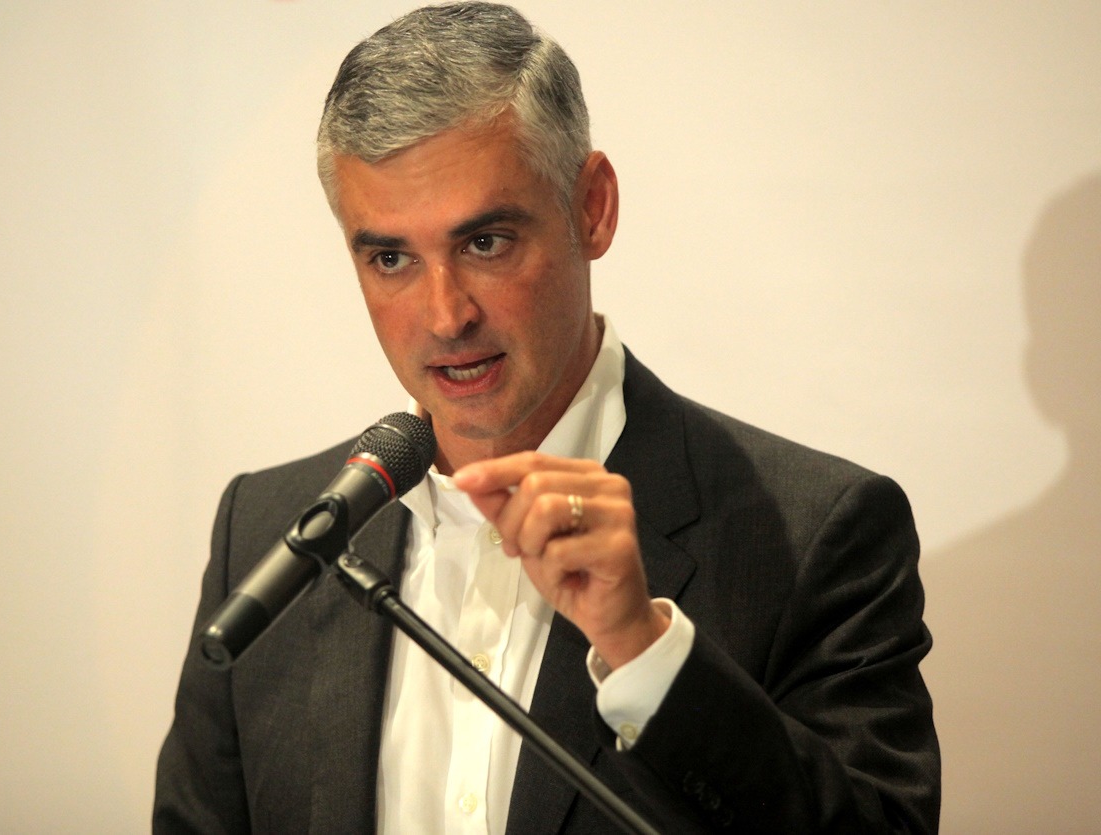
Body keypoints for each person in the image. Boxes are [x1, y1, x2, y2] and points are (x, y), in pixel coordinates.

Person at [154, 3, 940, 832]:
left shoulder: (817, 533)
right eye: (390, 258)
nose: (445, 315)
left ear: (592, 207)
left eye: (485, 243)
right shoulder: (266, 534)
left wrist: (644, 650)